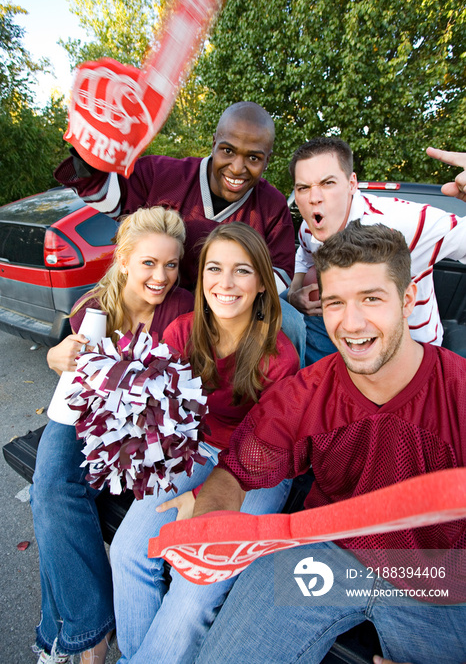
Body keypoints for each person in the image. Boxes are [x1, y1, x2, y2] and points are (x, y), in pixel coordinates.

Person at [192, 222, 466, 664]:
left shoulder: (458, 391)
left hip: (439, 575)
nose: (352, 324)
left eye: (371, 299)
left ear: (408, 300)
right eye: (336, 302)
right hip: (330, 556)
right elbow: (235, 472)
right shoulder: (306, 394)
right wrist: (209, 523)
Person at [110, 222, 300, 663]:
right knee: (129, 551)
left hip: (259, 468)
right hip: (195, 450)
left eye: (242, 271)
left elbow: (262, 451)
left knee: (195, 585)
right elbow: (163, 414)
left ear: (261, 284)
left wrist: (201, 497)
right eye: (215, 268)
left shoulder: (278, 356)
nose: (226, 283)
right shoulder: (182, 331)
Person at [30, 206, 194, 664]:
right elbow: (76, 380)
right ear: (123, 260)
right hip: (86, 415)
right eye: (148, 262)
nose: (161, 276)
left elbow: (172, 398)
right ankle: (91, 638)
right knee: (51, 491)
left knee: (53, 506)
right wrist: (55, 356)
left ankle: (71, 639)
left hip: (144, 433)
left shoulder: (181, 310)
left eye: (171, 264)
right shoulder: (92, 308)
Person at [54, 101, 306, 365]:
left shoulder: (272, 204)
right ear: (214, 142)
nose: (237, 168)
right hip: (161, 299)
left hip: (231, 302)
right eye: (228, 151)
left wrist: (221, 300)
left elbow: (280, 271)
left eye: (253, 157)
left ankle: (291, 394)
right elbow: (104, 194)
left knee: (289, 321)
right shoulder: (162, 174)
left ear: (268, 159)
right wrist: (92, 144)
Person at [287, 137, 466, 365]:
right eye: (303, 188)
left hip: (409, 351)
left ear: (352, 184)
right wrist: (294, 294)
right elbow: (303, 257)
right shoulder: (308, 228)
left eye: (327, 183)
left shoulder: (403, 222)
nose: (314, 198)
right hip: (344, 338)